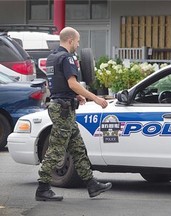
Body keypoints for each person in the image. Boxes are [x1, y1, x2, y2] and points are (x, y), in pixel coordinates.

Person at [35, 26, 112, 201]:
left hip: (61, 106)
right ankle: (42, 188)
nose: (78, 45)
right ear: (70, 40)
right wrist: (96, 98)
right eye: (77, 41)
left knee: (77, 149)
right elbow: (72, 83)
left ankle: (92, 185)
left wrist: (75, 95)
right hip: (63, 110)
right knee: (56, 149)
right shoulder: (67, 58)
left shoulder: (52, 57)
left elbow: (59, 84)